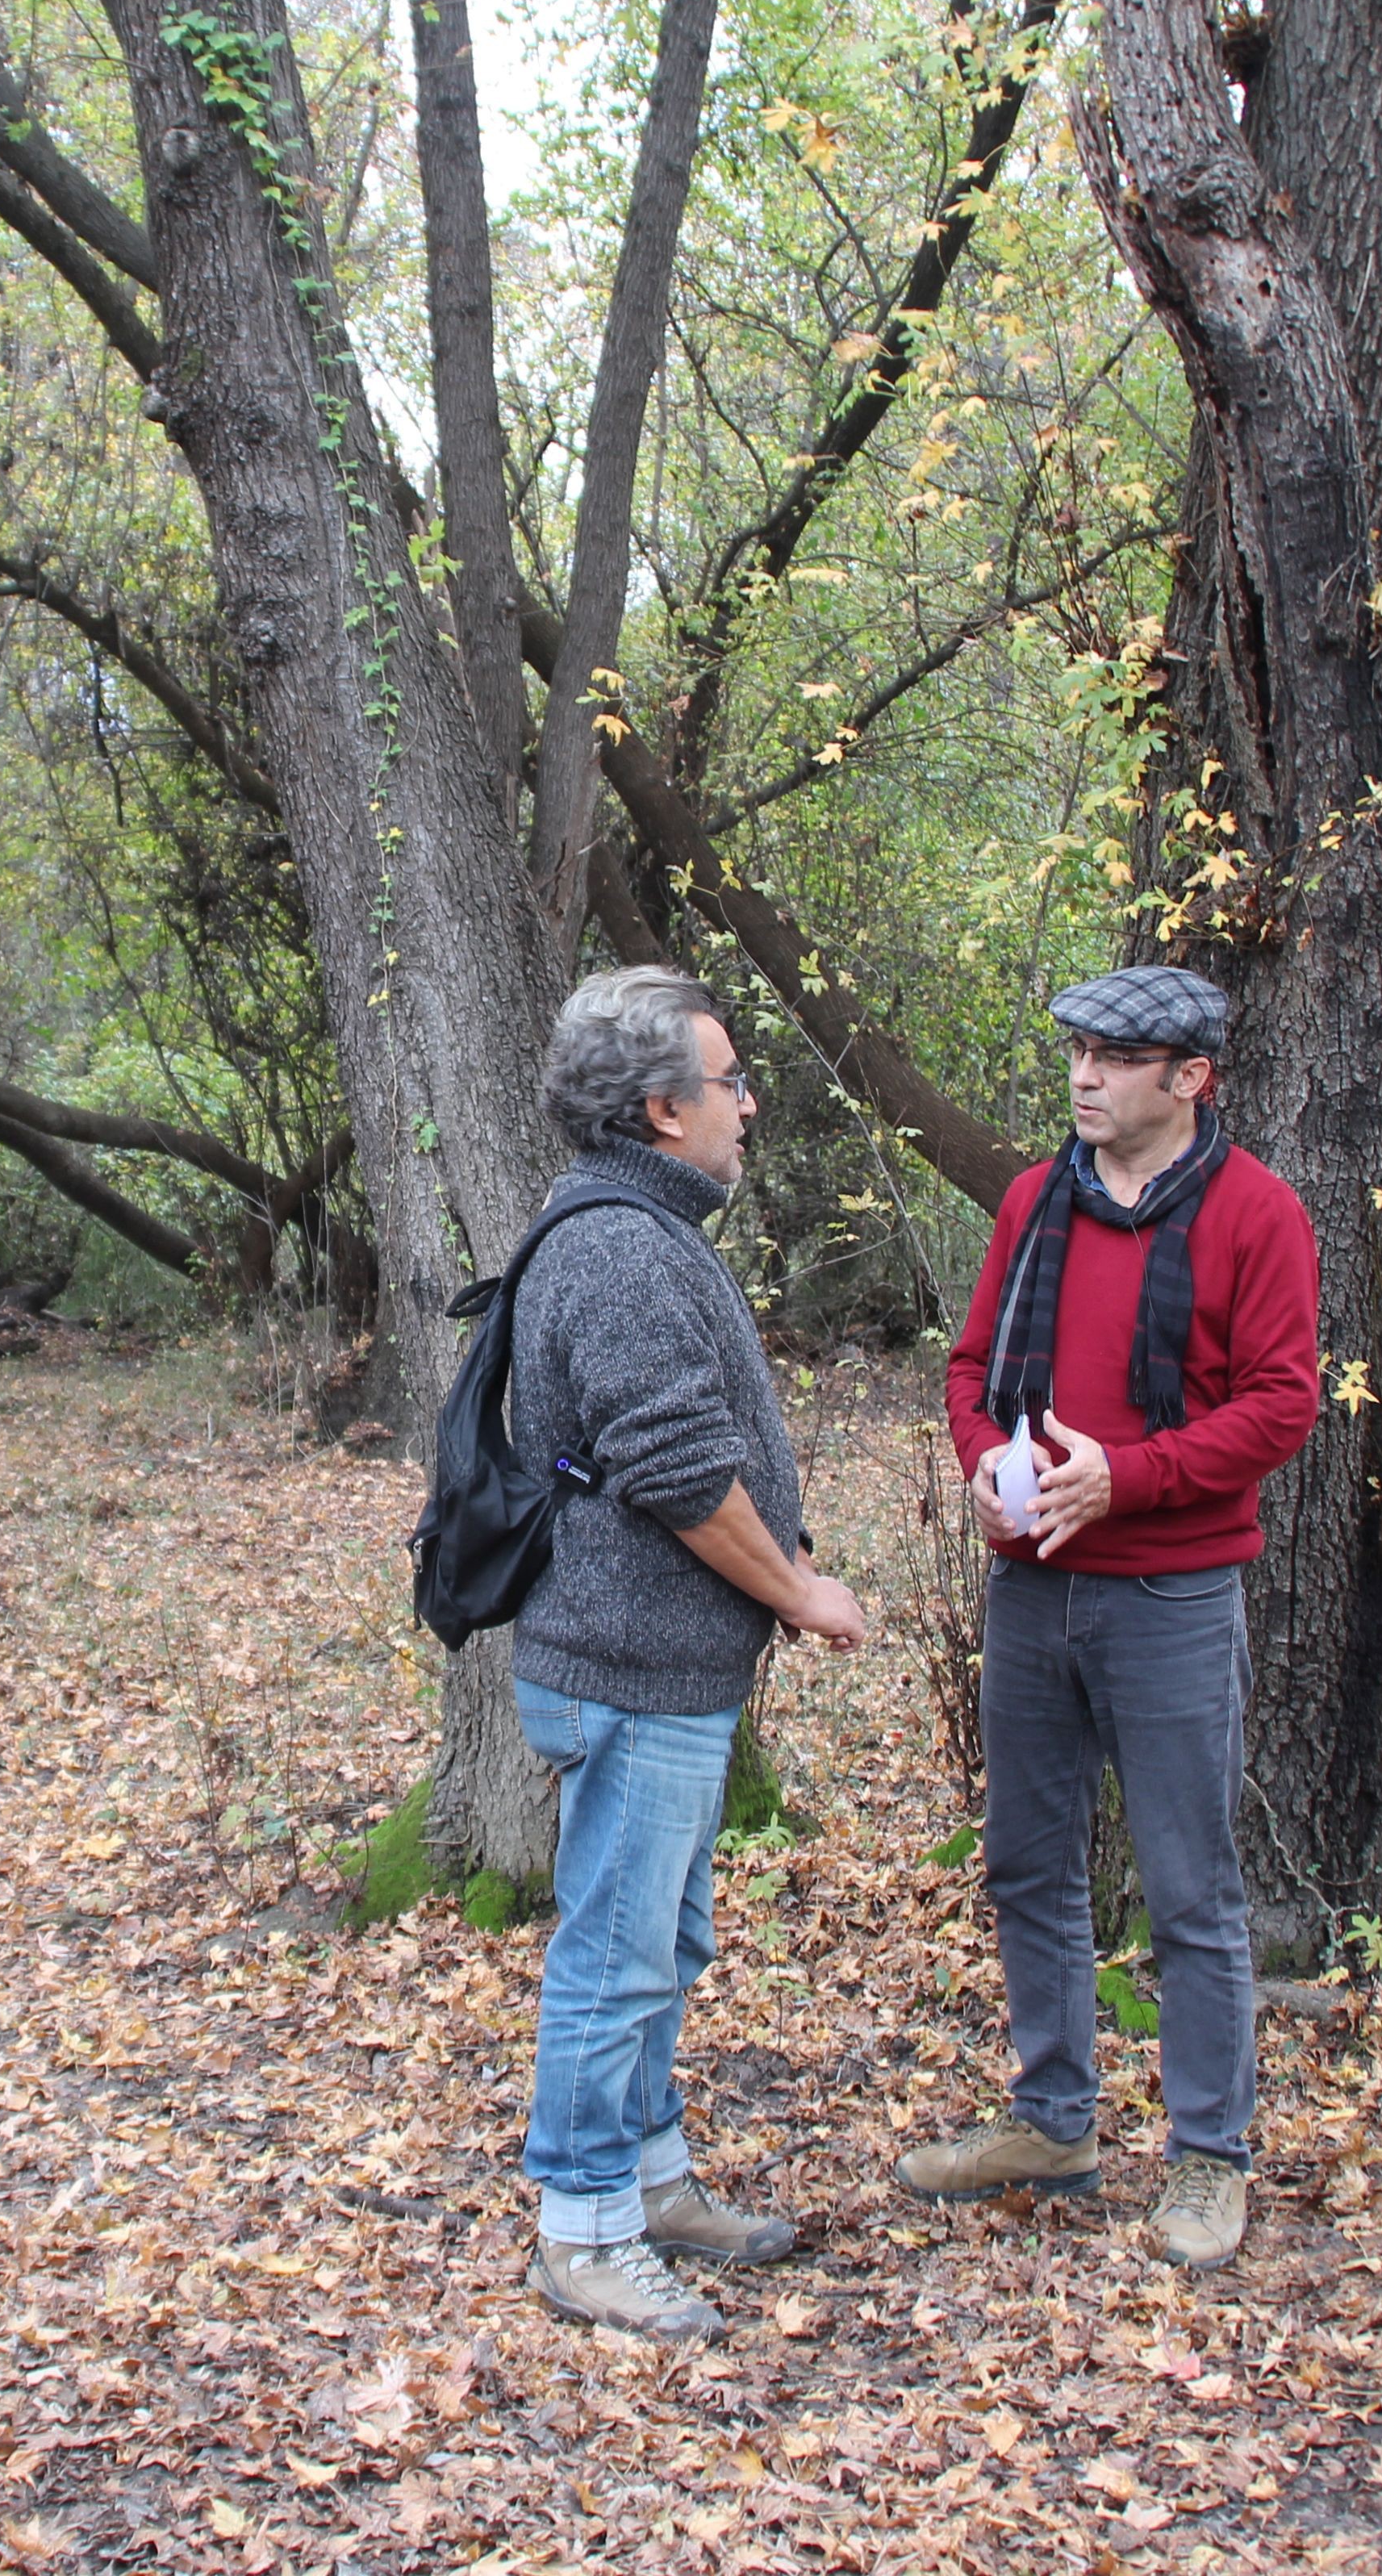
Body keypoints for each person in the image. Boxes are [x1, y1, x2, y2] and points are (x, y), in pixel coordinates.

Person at [901, 965, 1318, 2269]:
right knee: (1029, 1863)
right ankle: (1054, 2122)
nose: (1084, 1074)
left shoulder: (1258, 1215)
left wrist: (1125, 1477)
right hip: (1031, 1590)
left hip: (1171, 1595)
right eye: (1078, 1049)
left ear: (1188, 1079)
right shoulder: (1037, 1201)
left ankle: (1209, 2160)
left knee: (1191, 1889)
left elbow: (1282, 1403)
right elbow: (973, 1368)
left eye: (1116, 1055)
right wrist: (982, 1459)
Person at [503, 964, 869, 2340]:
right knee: (616, 1953)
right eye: (728, 1083)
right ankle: (585, 2232)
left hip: (664, 1671)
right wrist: (798, 1592)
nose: (747, 1104)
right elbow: (670, 1467)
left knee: (664, 1939)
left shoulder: (643, 1228)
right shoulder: (615, 1247)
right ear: (662, 1110)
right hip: (628, 1668)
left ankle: (652, 2183)